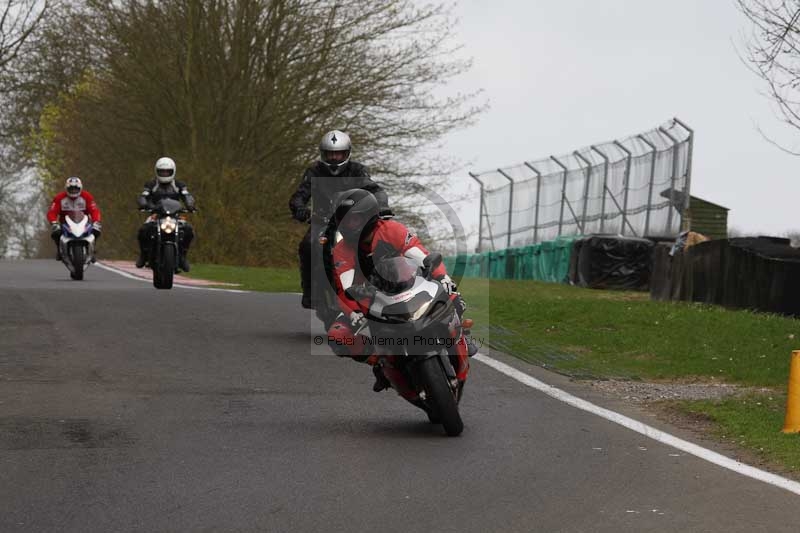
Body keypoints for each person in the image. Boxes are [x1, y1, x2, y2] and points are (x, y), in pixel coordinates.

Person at [325, 188, 476, 393]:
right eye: (344, 221)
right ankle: (380, 363)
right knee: (337, 335)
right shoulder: (341, 250)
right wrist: (355, 312)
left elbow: (421, 255)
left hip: (409, 285)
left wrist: (444, 279)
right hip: (370, 299)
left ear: (369, 216)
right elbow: (345, 286)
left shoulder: (391, 229)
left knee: (454, 299)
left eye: (354, 220)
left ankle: (460, 334)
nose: (348, 226)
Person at [289, 130, 389, 309]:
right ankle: (310, 291)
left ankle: (380, 284)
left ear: (347, 153)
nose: (334, 158)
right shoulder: (314, 171)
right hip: (322, 221)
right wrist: (300, 210)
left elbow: (375, 190)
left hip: (352, 221)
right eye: (330, 154)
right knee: (307, 246)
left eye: (339, 154)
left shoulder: (358, 170)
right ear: (323, 154)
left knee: (375, 244)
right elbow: (299, 195)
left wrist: (382, 206)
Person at [135, 157, 196, 271]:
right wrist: (143, 204)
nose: (164, 174)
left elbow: (187, 195)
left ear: (173, 171)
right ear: (156, 171)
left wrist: (190, 205)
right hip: (155, 215)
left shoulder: (179, 184)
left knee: (188, 230)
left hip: (175, 215)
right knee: (143, 230)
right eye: (162, 171)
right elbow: (143, 196)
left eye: (167, 172)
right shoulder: (151, 184)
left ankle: (183, 256)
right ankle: (143, 255)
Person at [46, 177, 102, 260]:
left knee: (96, 231)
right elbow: (52, 212)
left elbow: (94, 210)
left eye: (76, 189)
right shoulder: (59, 198)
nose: (73, 191)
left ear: (80, 188)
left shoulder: (87, 196)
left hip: (84, 222)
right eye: (71, 189)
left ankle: (92, 250)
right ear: (66, 188)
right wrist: (54, 222)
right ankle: (59, 250)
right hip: (65, 223)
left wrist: (96, 221)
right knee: (55, 233)